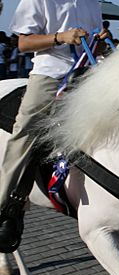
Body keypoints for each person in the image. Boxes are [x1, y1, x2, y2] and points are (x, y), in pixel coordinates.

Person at [0, 0, 105, 253]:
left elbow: (93, 44)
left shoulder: (92, 3)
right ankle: (4, 205)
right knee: (25, 132)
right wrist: (60, 37)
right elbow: (23, 43)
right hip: (50, 75)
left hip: (87, 76)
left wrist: (99, 42)